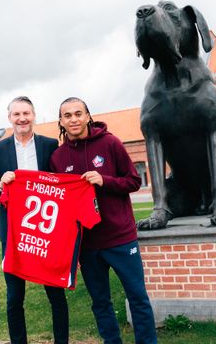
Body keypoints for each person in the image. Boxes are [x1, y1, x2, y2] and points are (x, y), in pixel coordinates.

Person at [50, 97, 157, 344]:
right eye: (68, 116)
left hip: (120, 239)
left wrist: (104, 180)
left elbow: (134, 181)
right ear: (61, 122)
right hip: (87, 245)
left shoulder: (110, 143)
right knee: (100, 302)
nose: (74, 119)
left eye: (78, 114)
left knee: (138, 297)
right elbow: (61, 203)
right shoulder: (57, 157)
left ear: (88, 116)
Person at [0, 96, 68, 344]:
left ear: (34, 115)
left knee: (56, 294)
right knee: (14, 297)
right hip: (13, 235)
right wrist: (1, 183)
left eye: (26, 113)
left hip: (46, 232)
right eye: (17, 114)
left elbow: (64, 183)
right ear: (10, 118)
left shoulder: (50, 145)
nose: (22, 118)